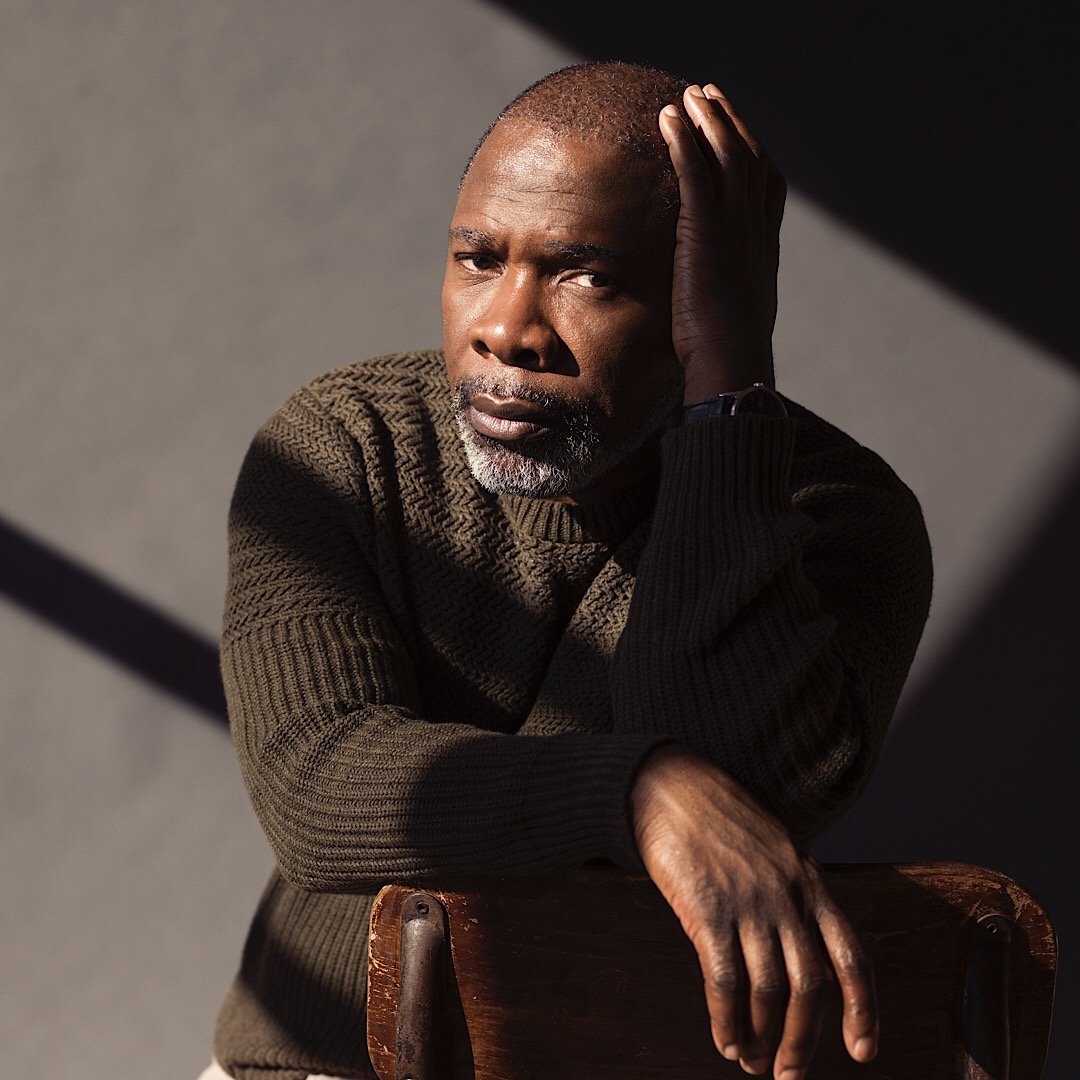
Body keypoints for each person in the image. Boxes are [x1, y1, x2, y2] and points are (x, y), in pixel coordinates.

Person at [204, 62, 932, 1080]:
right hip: (322, 1067)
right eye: (478, 258)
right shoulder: (345, 445)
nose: (507, 329)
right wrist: (636, 789)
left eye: (589, 276)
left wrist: (729, 397)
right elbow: (316, 786)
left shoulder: (839, 515)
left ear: (702, 293)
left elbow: (759, 787)